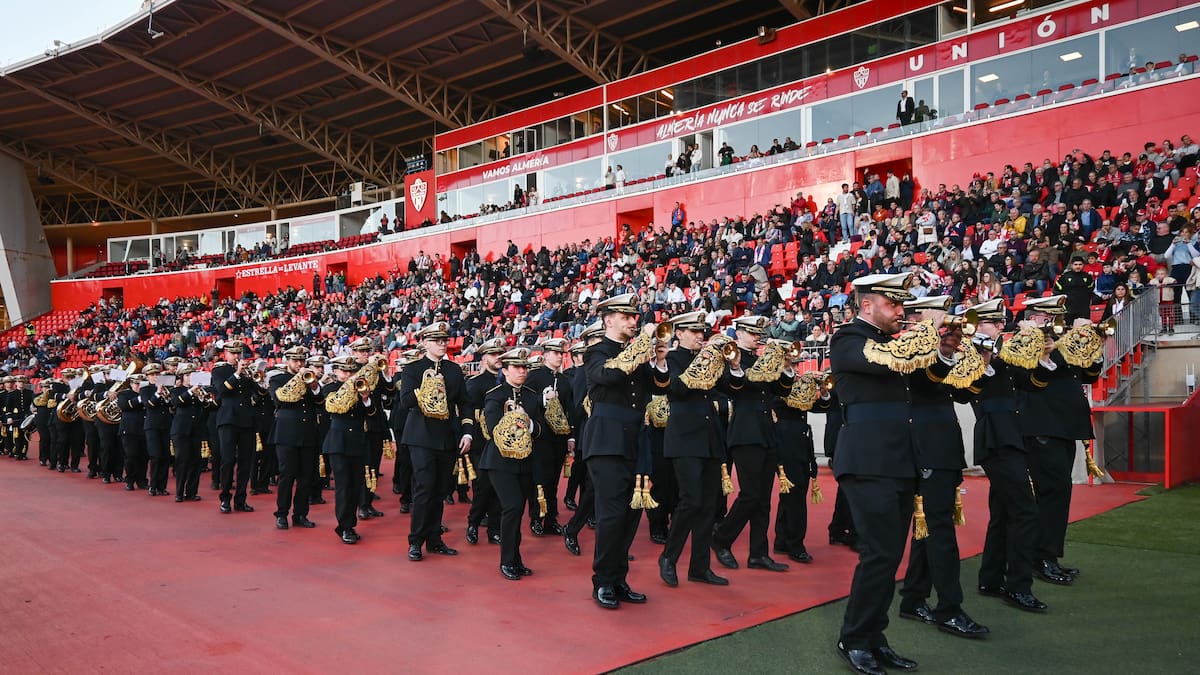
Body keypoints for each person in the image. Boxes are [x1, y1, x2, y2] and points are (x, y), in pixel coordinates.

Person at [831, 272, 956, 675]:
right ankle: (854, 638)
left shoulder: (890, 344)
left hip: (899, 461)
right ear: (867, 305)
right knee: (880, 555)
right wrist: (928, 331)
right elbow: (895, 361)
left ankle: (873, 636)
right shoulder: (847, 338)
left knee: (887, 557)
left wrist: (946, 349)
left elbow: (928, 379)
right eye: (893, 304)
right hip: (868, 461)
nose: (901, 312)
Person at [896, 297, 990, 638]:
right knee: (940, 530)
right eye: (935, 315)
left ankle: (913, 597)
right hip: (925, 448)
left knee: (929, 527)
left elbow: (968, 392)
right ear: (920, 317)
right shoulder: (905, 350)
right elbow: (925, 381)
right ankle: (949, 608)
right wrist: (939, 345)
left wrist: (982, 356)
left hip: (945, 445)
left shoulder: (943, 351)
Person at [968, 298, 1055, 613]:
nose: (999, 327)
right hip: (996, 438)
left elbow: (1031, 384)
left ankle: (991, 578)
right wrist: (1023, 341)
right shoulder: (976, 352)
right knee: (1025, 512)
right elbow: (983, 378)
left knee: (1005, 511)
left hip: (1010, 437)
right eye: (993, 322)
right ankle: (1017, 586)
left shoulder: (1003, 352)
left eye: (998, 322)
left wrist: (1045, 353)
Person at [582, 293, 668, 609]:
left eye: (635, 317)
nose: (634, 321)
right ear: (609, 320)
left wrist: (658, 358)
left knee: (632, 514)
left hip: (635, 438)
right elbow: (609, 375)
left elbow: (660, 385)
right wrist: (641, 349)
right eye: (627, 317)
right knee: (611, 513)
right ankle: (602, 581)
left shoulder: (637, 353)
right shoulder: (595, 352)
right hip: (606, 440)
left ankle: (619, 579)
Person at [1020, 295, 1102, 585]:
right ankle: (1039, 556)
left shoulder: (1064, 343)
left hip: (1065, 428)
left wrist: (1094, 343)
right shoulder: (1027, 340)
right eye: (1049, 317)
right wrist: (1076, 338)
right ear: (1034, 317)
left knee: (1059, 494)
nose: (1056, 322)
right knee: (1050, 494)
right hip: (1043, 427)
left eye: (1058, 317)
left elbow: (1090, 374)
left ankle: (1049, 554)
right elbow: (1043, 367)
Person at [713, 315, 794, 573]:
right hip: (745, 433)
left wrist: (787, 366)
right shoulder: (731, 357)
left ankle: (758, 553)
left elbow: (780, 391)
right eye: (753, 333)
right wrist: (737, 366)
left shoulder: (762, 360)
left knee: (763, 499)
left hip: (766, 432)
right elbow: (733, 387)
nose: (758, 337)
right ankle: (722, 537)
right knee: (750, 495)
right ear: (740, 334)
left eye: (759, 333)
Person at [658, 310, 731, 588]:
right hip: (685, 439)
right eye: (695, 332)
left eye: (703, 332)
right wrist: (706, 358)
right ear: (679, 333)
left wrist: (732, 364)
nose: (701, 336)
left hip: (710, 438)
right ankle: (668, 557)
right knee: (690, 501)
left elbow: (727, 388)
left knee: (709, 506)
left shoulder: (710, 359)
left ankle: (700, 567)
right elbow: (677, 388)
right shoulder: (672, 359)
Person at [399, 321, 469, 561]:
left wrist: (467, 432)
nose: (442, 343)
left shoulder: (453, 370)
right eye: (437, 340)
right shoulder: (413, 369)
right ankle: (416, 540)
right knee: (424, 488)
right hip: (421, 436)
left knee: (440, 490)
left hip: (446, 437)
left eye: (444, 340)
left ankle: (435, 539)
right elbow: (406, 401)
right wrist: (427, 387)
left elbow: (464, 403)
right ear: (425, 343)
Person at [480, 347, 547, 580]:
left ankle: (515, 559)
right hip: (500, 462)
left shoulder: (530, 395)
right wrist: (512, 420)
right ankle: (507, 561)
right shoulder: (495, 395)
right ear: (505, 370)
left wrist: (527, 423)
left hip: (525, 461)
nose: (522, 371)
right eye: (517, 367)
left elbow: (540, 428)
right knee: (513, 507)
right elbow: (491, 429)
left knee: (518, 510)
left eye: (524, 367)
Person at [524, 338, 575, 536]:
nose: (560, 357)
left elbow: (569, 409)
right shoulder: (535, 376)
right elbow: (527, 401)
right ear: (545, 355)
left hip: (559, 437)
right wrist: (543, 399)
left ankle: (551, 518)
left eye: (561, 354)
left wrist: (571, 435)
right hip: (540, 437)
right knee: (539, 479)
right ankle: (536, 517)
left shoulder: (563, 380)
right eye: (556, 353)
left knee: (553, 481)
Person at [321, 355, 374, 544]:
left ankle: (349, 523)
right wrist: (350, 387)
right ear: (335, 371)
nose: (349, 374)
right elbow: (335, 408)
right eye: (344, 371)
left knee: (355, 485)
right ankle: (345, 526)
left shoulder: (361, 387)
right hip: (338, 442)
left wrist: (366, 398)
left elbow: (372, 412)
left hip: (357, 441)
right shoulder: (330, 388)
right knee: (344, 487)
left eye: (352, 371)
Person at [269, 346, 323, 529]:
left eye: (301, 360)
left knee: (306, 477)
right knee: (287, 475)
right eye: (295, 360)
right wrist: (298, 379)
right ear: (288, 361)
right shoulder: (278, 379)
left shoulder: (311, 379)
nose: (299, 364)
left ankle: (300, 514)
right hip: (286, 434)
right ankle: (281, 513)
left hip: (307, 433)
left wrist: (315, 386)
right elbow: (278, 400)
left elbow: (320, 402)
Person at [465, 338, 506, 546]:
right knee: (482, 487)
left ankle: (494, 530)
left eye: (500, 354)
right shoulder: (475, 384)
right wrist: (469, 437)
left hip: (504, 443)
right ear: (484, 358)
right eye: (493, 354)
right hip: (482, 443)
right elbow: (469, 414)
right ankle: (473, 523)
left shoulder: (507, 382)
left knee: (500, 488)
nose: (498, 358)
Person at [211, 341, 259, 514]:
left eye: (239, 353)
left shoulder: (248, 372)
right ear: (226, 354)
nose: (237, 356)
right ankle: (225, 498)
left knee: (246, 462)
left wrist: (259, 379)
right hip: (228, 420)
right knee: (228, 460)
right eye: (234, 353)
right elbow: (221, 391)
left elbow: (259, 394)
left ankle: (241, 499)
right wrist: (238, 373)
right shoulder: (219, 370)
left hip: (247, 420)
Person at [169, 363, 207, 502]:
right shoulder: (177, 390)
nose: (190, 377)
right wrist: (191, 391)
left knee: (196, 462)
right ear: (182, 377)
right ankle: (179, 492)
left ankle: (191, 491)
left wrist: (202, 397)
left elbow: (206, 406)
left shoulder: (200, 391)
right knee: (182, 461)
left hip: (196, 429)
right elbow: (176, 403)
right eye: (187, 375)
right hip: (181, 430)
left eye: (192, 374)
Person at [140, 363, 173, 496]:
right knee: (156, 456)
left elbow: (171, 404)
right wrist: (158, 392)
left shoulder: (166, 388)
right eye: (152, 375)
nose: (155, 377)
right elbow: (149, 404)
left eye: (157, 374)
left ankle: (162, 486)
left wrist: (166, 393)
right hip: (152, 426)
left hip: (165, 425)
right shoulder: (145, 389)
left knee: (165, 456)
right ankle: (153, 485)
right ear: (147, 376)